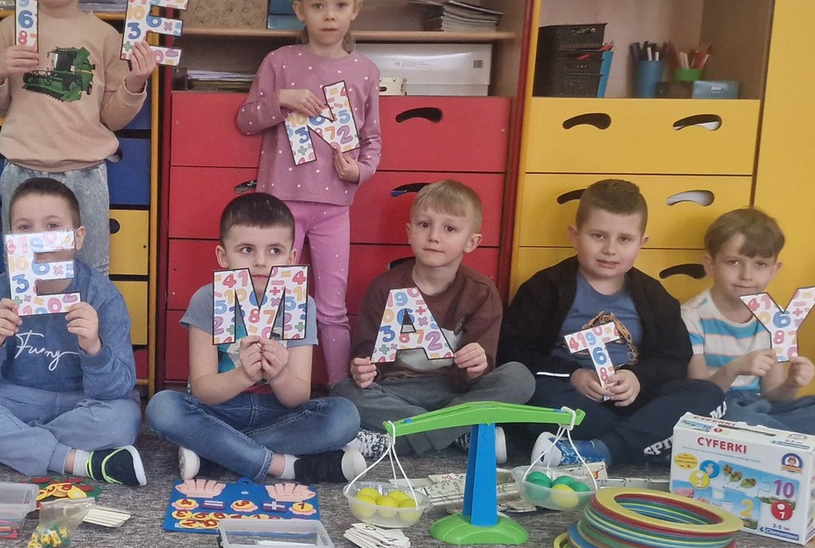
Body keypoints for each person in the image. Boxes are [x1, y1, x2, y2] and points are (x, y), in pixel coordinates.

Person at [499, 178, 724, 466]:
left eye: (624, 239)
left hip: (635, 401)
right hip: (572, 401)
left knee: (709, 394)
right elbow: (514, 351)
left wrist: (637, 378)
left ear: (641, 243)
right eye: (598, 236)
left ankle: (604, 448)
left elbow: (675, 358)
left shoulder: (653, 295)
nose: (610, 249)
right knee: (529, 393)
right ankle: (641, 442)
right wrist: (573, 375)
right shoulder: (545, 288)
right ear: (575, 236)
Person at [0, 177, 145, 486]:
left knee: (123, 418)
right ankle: (76, 461)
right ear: (10, 239)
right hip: (16, 399)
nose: (38, 238)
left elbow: (117, 388)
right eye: (24, 227)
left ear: (77, 238)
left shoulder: (102, 296)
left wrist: (94, 349)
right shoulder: (1, 291)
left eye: (52, 226)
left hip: (80, 402)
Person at [146, 192, 367, 484]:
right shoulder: (208, 299)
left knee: (344, 416)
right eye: (247, 249)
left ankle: (216, 453)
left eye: (274, 250)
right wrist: (244, 375)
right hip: (219, 411)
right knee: (162, 408)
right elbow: (203, 391)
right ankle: (283, 466)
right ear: (223, 256)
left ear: (291, 258)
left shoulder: (300, 303)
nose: (261, 262)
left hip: (279, 414)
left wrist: (278, 375)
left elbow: (298, 396)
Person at [0, 0, 154, 274]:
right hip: (22, 169)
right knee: (23, 273)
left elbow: (113, 118)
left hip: (85, 172)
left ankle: (88, 318)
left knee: (91, 271)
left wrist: (136, 82)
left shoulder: (105, 36)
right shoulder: (10, 29)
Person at [236, 0, 383, 383]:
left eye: (340, 5)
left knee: (332, 309)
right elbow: (246, 120)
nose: (329, 16)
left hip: (335, 207)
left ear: (355, 9)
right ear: (300, 10)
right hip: (280, 209)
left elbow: (373, 140)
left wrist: (360, 171)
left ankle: (339, 393)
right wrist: (282, 99)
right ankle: (270, 388)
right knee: (275, 303)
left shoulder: (365, 71)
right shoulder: (280, 61)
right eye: (318, 6)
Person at [332, 180, 535, 460]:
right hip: (398, 392)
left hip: (453, 391)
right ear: (409, 232)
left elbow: (480, 368)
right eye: (424, 225)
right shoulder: (384, 287)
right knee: (343, 392)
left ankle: (403, 439)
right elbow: (367, 354)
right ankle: (459, 432)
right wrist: (364, 369)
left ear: (471, 242)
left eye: (449, 229)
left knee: (520, 378)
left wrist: (476, 368)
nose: (434, 236)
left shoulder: (481, 292)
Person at [683, 207, 815, 467]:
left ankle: (780, 446)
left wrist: (792, 383)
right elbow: (697, 398)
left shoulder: (776, 318)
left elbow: (774, 395)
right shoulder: (692, 316)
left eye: (760, 265)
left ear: (774, 269)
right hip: (720, 410)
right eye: (734, 262)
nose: (747, 275)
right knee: (738, 422)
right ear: (710, 265)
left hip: (763, 410)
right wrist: (734, 369)